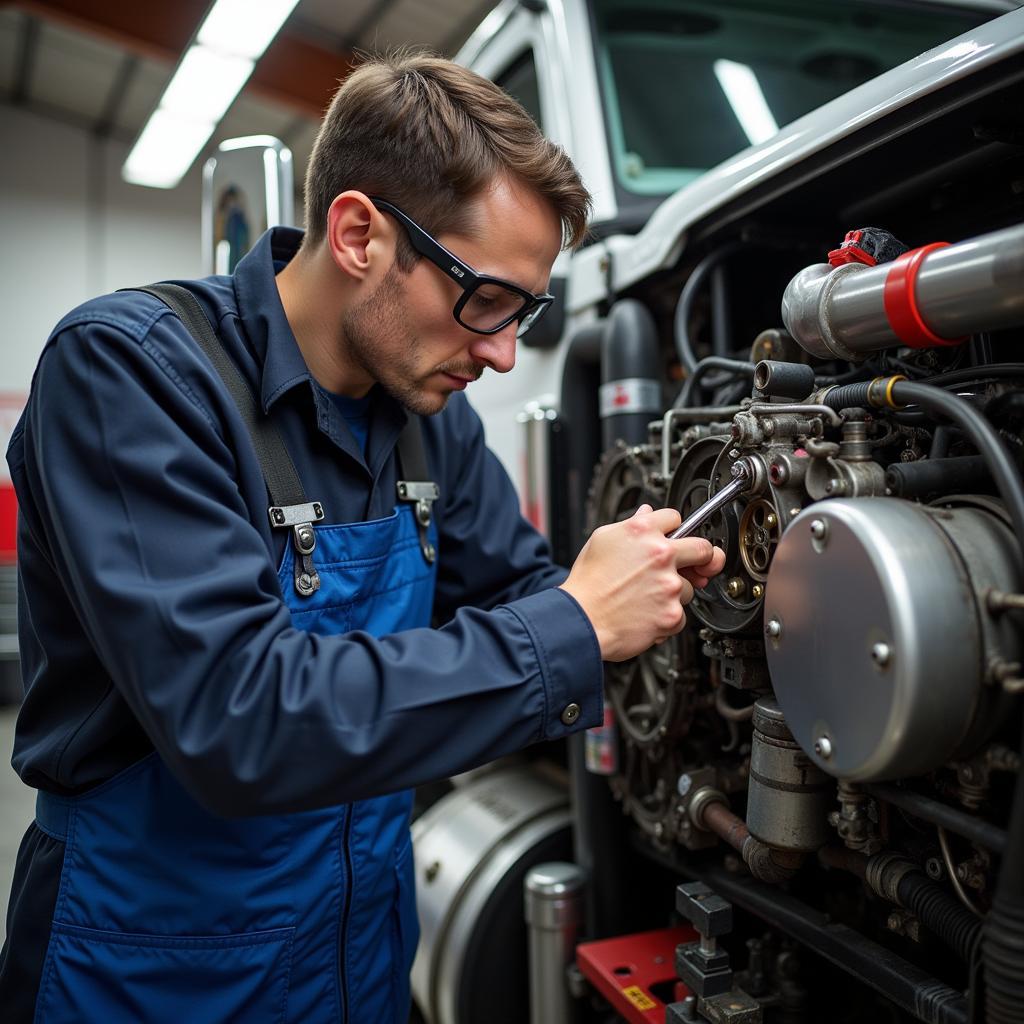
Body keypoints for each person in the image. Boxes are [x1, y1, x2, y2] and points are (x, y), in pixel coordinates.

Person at [1, 52, 725, 1023]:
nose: (504, 350)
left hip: (358, 959)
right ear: (357, 235)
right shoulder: (131, 377)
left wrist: (656, 593)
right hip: (154, 968)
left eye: (526, 310)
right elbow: (239, 718)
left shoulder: (428, 419)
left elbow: (524, 593)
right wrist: (574, 624)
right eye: (486, 300)